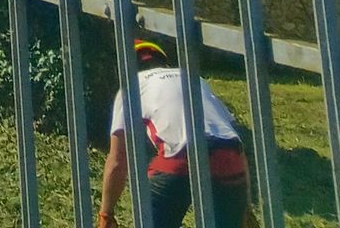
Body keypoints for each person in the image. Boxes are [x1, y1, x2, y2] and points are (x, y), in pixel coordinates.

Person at [98, 37, 253, 228]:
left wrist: (106, 214)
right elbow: (234, 143)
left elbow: (118, 160)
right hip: (230, 159)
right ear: (164, 61)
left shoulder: (131, 87)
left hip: (180, 159)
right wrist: (243, 206)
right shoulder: (195, 79)